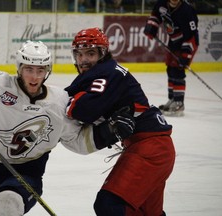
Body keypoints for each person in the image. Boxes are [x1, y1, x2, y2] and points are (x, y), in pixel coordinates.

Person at [0, 41, 134, 216]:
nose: (34, 76)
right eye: (29, 69)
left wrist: (109, 131)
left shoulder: (58, 102)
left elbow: (79, 141)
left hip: (27, 173)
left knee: (9, 203)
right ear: (19, 68)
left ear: (47, 71)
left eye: (40, 70)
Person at [65, 27, 175, 216]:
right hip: (154, 148)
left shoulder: (107, 74)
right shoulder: (101, 72)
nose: (83, 60)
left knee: (109, 205)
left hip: (149, 150)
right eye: (79, 54)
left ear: (103, 53)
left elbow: (84, 110)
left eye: (90, 53)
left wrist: (70, 104)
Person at [144, 0, 199, 116]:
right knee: (170, 68)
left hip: (188, 42)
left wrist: (185, 55)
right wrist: (151, 27)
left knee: (178, 69)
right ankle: (172, 99)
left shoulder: (187, 10)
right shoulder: (161, 4)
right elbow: (155, 15)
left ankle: (179, 102)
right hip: (174, 40)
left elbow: (192, 36)